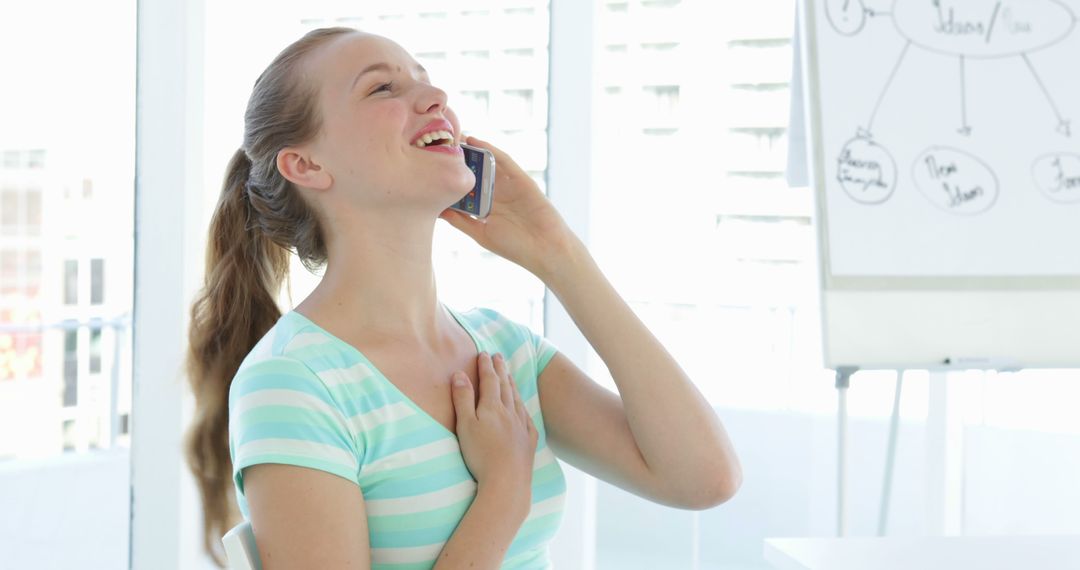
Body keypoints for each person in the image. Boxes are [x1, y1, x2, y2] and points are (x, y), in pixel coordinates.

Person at [184, 26, 742, 569]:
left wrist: (558, 255)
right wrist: (502, 491)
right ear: (306, 165)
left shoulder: (502, 351)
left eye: (425, 80)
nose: (436, 97)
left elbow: (703, 479)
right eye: (383, 88)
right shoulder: (293, 382)